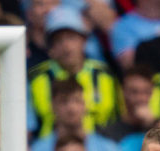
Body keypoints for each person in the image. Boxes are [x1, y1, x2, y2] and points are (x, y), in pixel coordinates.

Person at [28, 7, 119, 138]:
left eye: (71, 38)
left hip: (100, 150)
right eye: (58, 40)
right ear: (50, 47)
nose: (66, 46)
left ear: (84, 41)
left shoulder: (105, 74)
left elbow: (118, 118)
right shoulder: (35, 77)